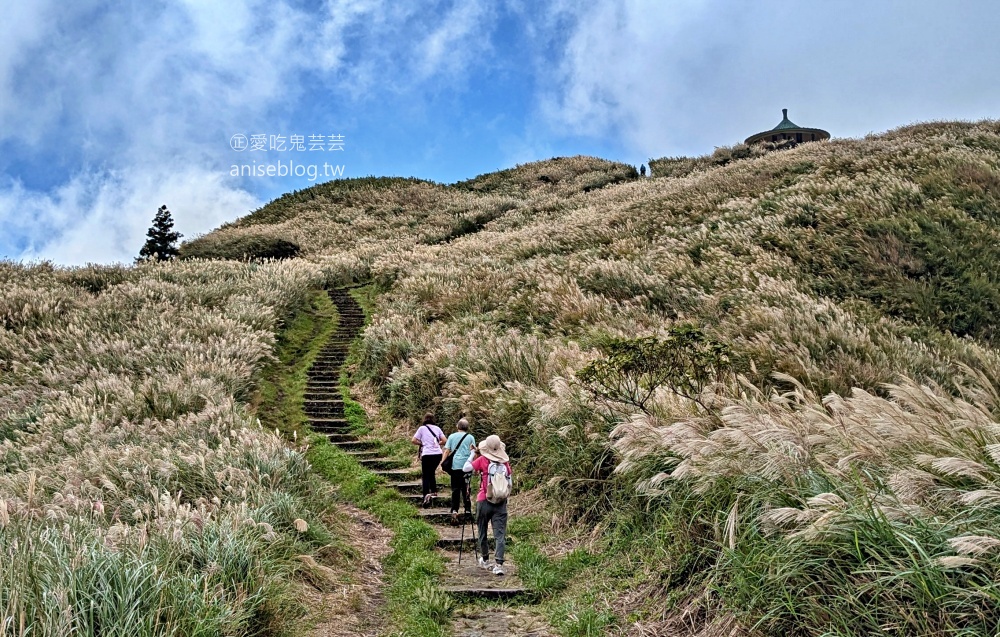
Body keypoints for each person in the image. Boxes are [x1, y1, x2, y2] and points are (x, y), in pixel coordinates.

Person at [463, 435, 512, 576]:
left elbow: (465, 469)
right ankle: (499, 565)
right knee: (500, 534)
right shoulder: (505, 464)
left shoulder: (483, 460)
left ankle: (485, 560)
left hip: (484, 500)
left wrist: (472, 454)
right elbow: (510, 484)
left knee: (482, 531)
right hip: (501, 502)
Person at [441, 417, 476, 524]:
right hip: (467, 466)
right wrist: (474, 465)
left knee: (455, 489)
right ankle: (468, 510)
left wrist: (442, 463)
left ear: (457, 426)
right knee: (466, 488)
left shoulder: (452, 436)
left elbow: (447, 451)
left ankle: (455, 510)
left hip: (455, 466)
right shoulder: (470, 437)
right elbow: (473, 452)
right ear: (467, 427)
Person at [411, 413, 447, 507]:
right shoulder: (437, 428)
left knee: (426, 475)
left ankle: (426, 494)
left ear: (425, 419)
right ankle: (434, 491)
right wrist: (437, 443)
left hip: (427, 454)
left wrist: (422, 443)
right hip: (438, 454)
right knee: (431, 472)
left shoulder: (422, 428)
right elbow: (445, 440)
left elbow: (413, 440)